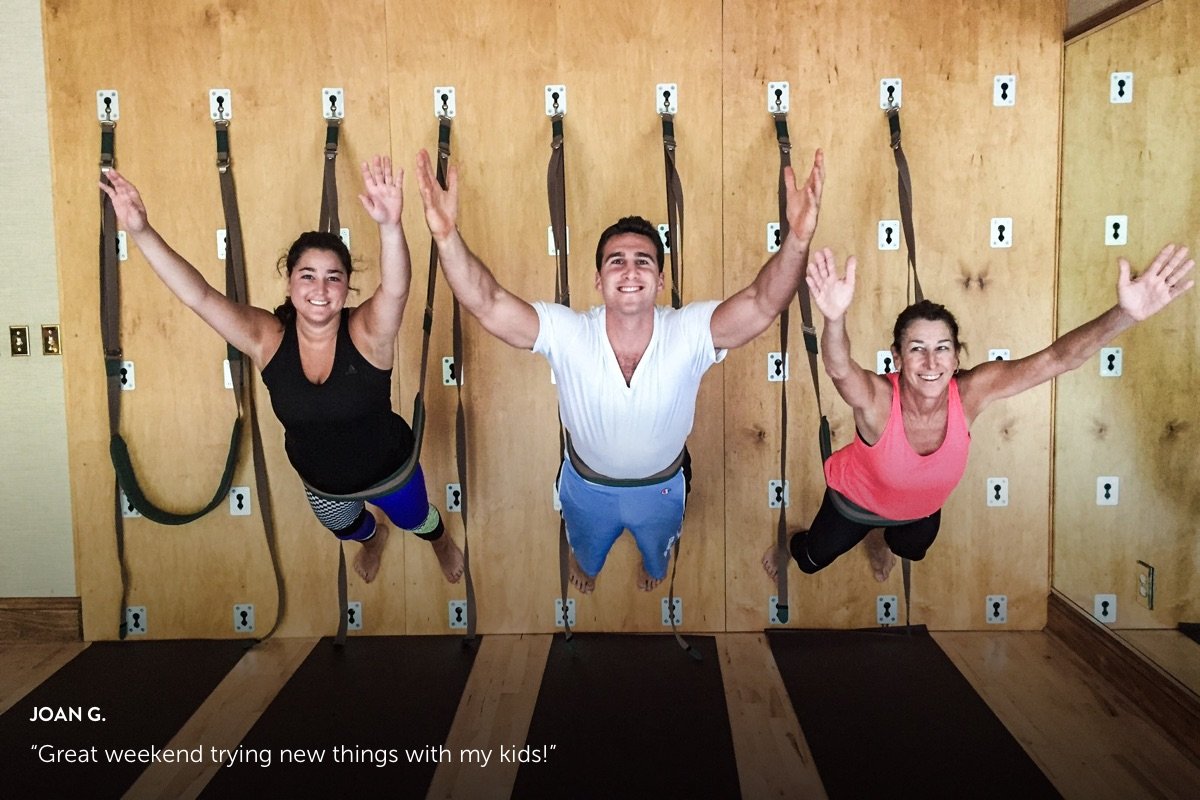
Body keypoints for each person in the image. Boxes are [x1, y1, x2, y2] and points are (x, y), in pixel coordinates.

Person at [415, 148, 825, 593]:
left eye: (643, 260)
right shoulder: (568, 332)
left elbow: (762, 303)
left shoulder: (689, 331)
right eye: (617, 261)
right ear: (599, 280)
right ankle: (587, 561)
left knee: (657, 552)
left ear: (660, 281)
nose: (630, 270)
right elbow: (488, 302)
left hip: (663, 490)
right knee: (587, 552)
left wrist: (797, 240)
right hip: (586, 488)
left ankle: (653, 562)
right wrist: (446, 236)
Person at [99, 156, 464, 585]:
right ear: (289, 282)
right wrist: (141, 231)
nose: (320, 289)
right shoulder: (267, 338)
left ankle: (440, 541)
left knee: (418, 519)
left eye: (334, 277)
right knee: (347, 527)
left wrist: (389, 225)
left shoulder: (368, 333)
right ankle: (372, 539)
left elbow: (397, 289)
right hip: (322, 483)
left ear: (347, 286)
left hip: (391, 469)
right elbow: (199, 296)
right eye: (308, 276)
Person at [764, 244, 1195, 582]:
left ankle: (881, 542)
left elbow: (1057, 359)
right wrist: (835, 319)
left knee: (911, 549)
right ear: (896, 357)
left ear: (956, 358)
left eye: (942, 349)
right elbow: (840, 368)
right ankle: (792, 543)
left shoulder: (971, 393)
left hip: (918, 510)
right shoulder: (879, 400)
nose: (931, 362)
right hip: (854, 504)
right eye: (917, 349)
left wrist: (1124, 316)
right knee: (811, 560)